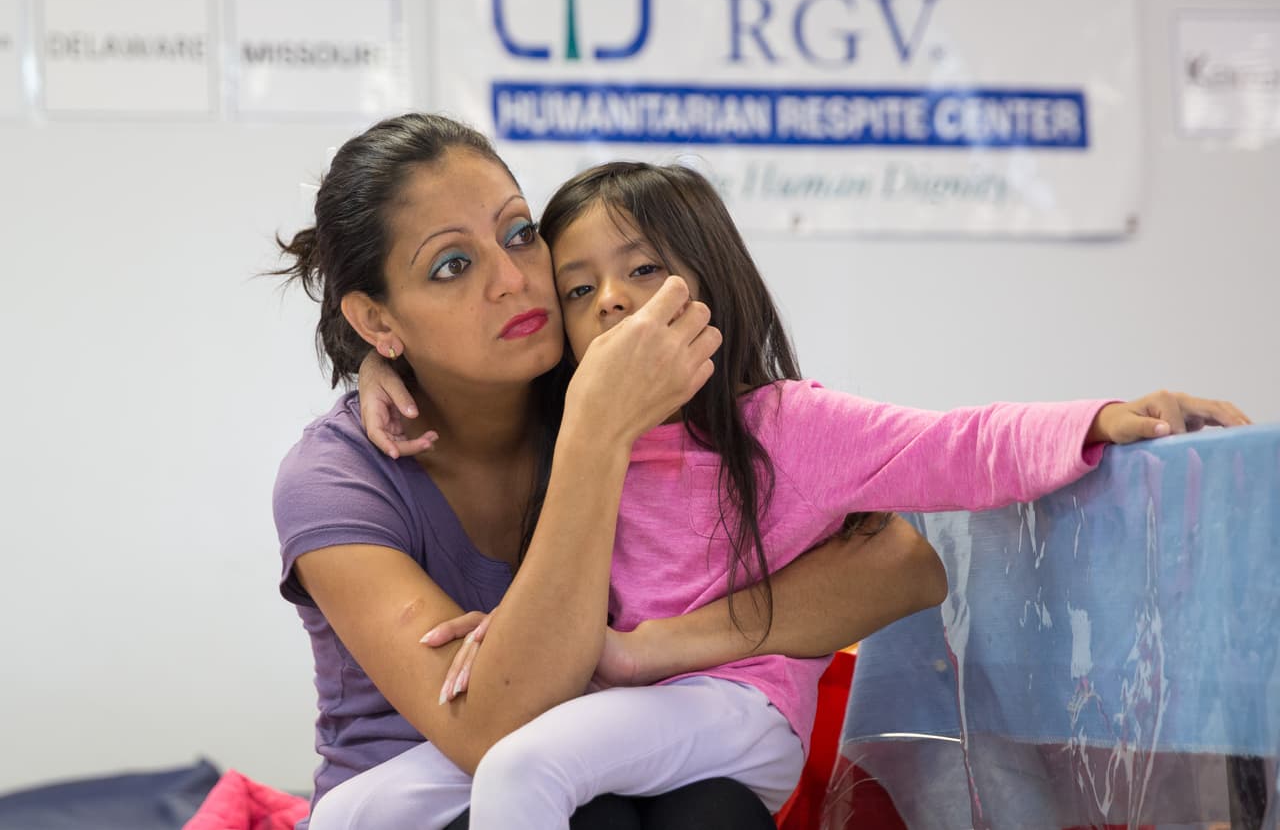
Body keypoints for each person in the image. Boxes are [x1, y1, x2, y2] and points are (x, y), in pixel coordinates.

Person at [357, 160, 1252, 829]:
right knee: (356, 811)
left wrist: (1098, 418)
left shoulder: (786, 423)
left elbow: (958, 445)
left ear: (710, 278)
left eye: (641, 271)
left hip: (740, 709)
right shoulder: (585, 434)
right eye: (580, 289)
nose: (611, 305)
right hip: (620, 705)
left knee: (521, 770)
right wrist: (376, 370)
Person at [272, 113, 950, 830]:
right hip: (425, 801)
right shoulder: (334, 477)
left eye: (519, 234)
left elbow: (898, 563)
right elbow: (493, 730)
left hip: (613, 768)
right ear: (378, 322)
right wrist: (595, 436)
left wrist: (651, 647)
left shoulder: (587, 383)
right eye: (452, 266)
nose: (512, 280)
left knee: (716, 809)